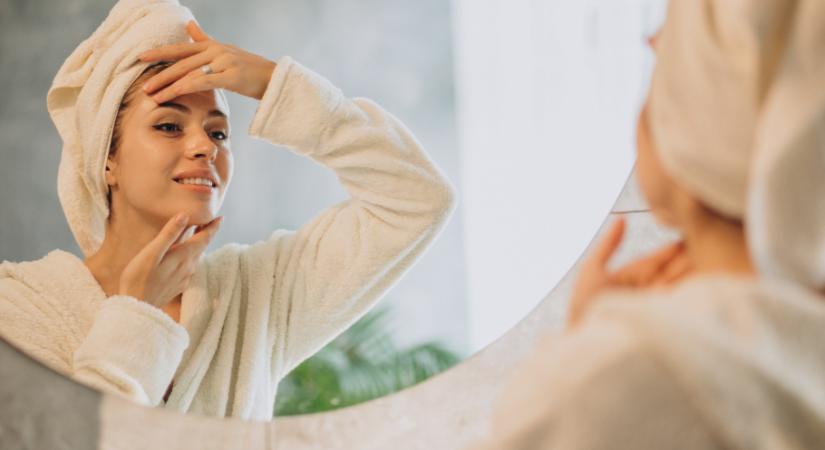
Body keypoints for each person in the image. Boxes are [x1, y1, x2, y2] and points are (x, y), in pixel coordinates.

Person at [0, 0, 455, 421]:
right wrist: (137, 313)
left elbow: (417, 198)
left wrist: (273, 84)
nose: (203, 147)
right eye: (169, 125)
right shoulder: (20, 308)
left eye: (218, 133)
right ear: (107, 159)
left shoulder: (257, 296)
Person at [470, 0, 825, 448]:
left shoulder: (614, 385)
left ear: (703, 130)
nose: (647, 43)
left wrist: (587, 352)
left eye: (664, 61)